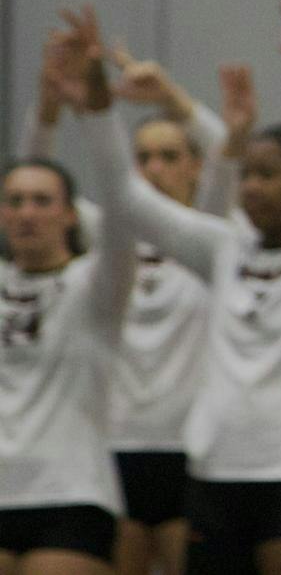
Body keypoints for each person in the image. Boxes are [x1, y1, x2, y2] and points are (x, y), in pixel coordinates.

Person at [94, 0, 281, 573]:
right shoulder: (221, 248)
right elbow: (126, 197)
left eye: (268, 174)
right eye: (246, 175)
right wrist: (96, 105)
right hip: (215, 480)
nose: (250, 188)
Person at [11, 46, 251, 575]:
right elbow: (39, 192)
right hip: (111, 445)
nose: (153, 169)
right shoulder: (106, 238)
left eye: (168, 157)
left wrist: (175, 99)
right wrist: (47, 110)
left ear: (194, 167)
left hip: (186, 446)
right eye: (142, 157)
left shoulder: (210, 238)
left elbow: (234, 158)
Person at [0, 15, 139, 574]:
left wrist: (97, 109)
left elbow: (122, 197)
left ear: (68, 214)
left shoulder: (96, 285)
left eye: (42, 202)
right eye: (15, 202)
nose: (27, 213)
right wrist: (45, 105)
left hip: (70, 492)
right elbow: (32, 161)